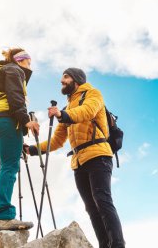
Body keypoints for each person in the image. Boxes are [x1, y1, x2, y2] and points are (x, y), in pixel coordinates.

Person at [25, 68, 125, 247]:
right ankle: (104, 244)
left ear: (76, 79)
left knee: (102, 200)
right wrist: (31, 149)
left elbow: (87, 112)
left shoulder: (93, 94)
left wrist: (62, 115)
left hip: (98, 154)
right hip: (78, 162)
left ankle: (117, 245)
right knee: (92, 208)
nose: (61, 80)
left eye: (65, 76)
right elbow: (56, 141)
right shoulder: (67, 108)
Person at [0, 48, 39, 231]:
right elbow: (16, 98)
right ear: (21, 60)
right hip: (6, 122)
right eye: (28, 61)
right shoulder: (15, 70)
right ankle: (5, 215)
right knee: (9, 167)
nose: (29, 65)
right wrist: (26, 121)